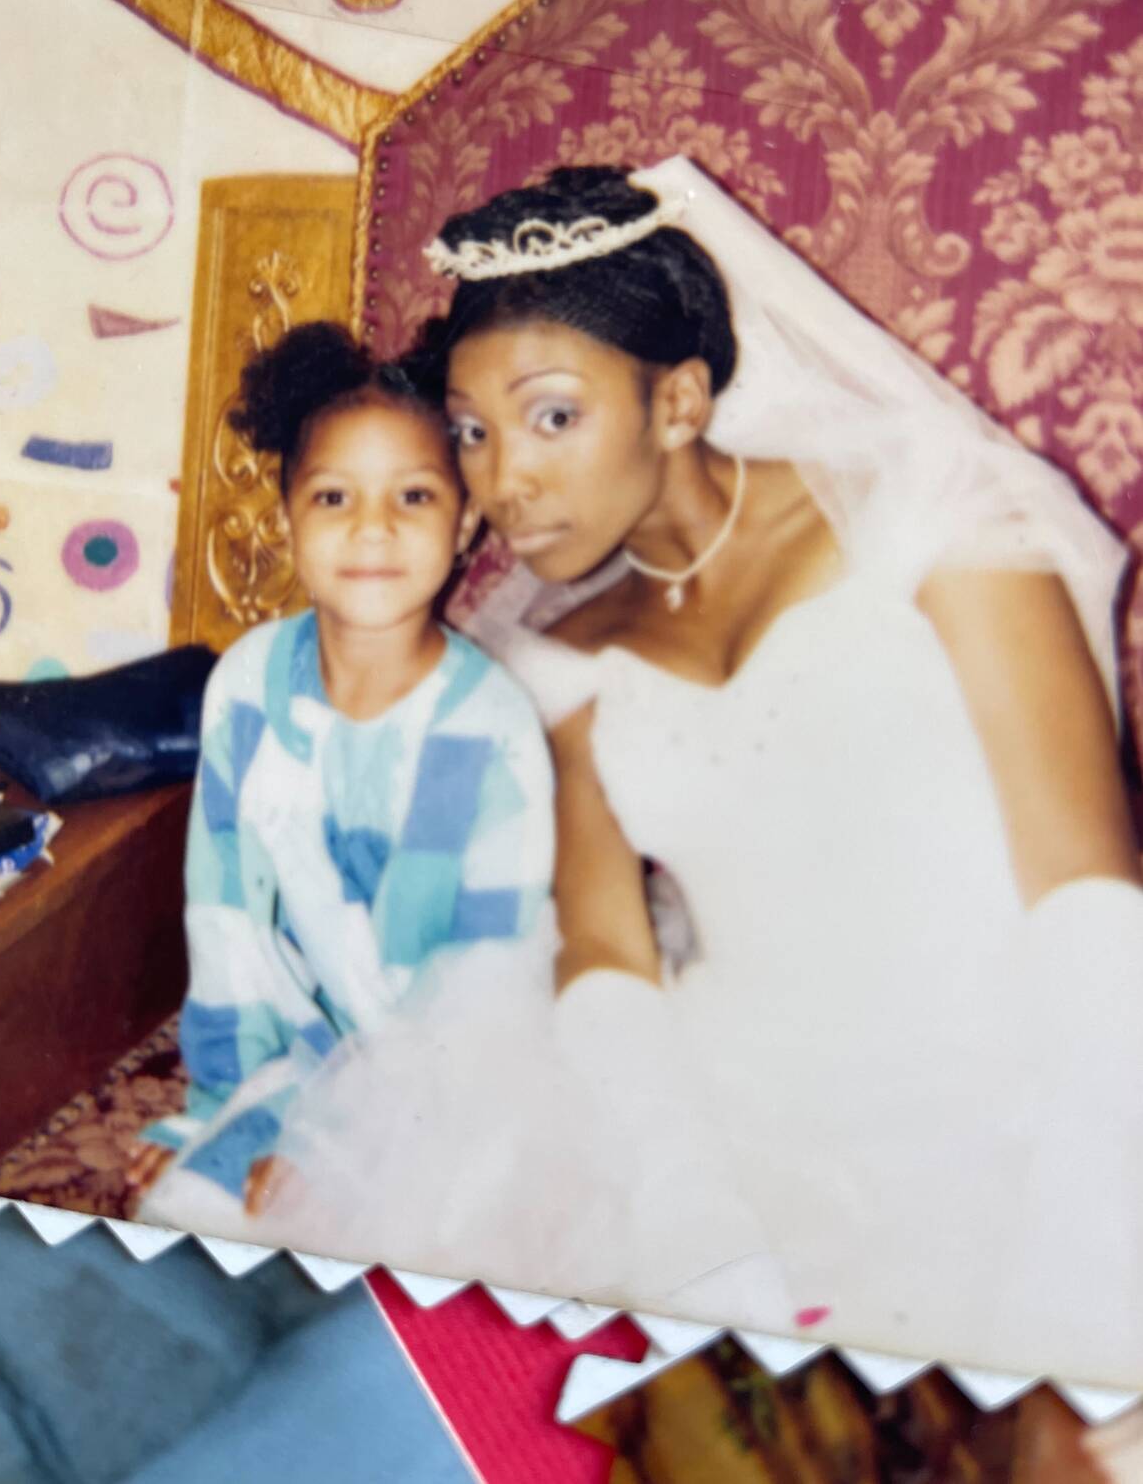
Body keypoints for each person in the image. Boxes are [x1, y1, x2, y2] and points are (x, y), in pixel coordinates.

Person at [376, 155, 1141, 1385]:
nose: (501, 477)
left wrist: (1078, 1261)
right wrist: (693, 1224)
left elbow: (1089, 896)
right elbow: (608, 955)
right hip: (748, 1108)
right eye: (472, 429)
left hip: (1040, 1079)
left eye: (553, 415)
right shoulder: (559, 655)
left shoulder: (937, 519)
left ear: (677, 403)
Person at [125, 322, 555, 1239]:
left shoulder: (488, 730)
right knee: (186, 1219)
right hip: (311, 1052)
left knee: (373, 1254)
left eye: (412, 495)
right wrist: (218, 1102)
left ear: (466, 521)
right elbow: (226, 912)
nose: (373, 527)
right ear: (287, 518)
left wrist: (342, 1147)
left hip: (458, 1088)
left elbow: (484, 991)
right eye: (333, 496)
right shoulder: (245, 685)